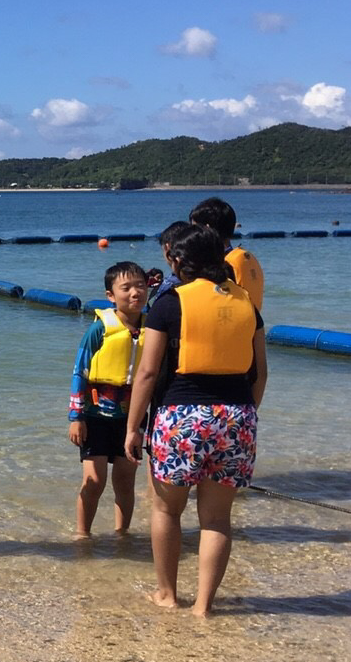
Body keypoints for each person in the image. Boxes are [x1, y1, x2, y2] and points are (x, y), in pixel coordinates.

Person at [125, 224, 267, 617]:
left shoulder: (169, 303)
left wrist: (133, 426)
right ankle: (204, 607)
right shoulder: (246, 304)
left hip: (182, 416)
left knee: (167, 510)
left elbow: (148, 373)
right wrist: (244, 416)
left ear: (176, 261)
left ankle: (167, 595)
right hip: (237, 415)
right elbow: (261, 374)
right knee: (218, 518)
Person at [67, 261, 148, 538]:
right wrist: (75, 418)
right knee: (94, 481)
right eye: (126, 288)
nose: (135, 293)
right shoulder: (99, 329)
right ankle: (82, 534)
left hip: (133, 418)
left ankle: (121, 534)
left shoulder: (153, 329)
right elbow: (79, 372)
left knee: (125, 481)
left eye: (141, 286)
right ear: (111, 295)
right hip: (95, 416)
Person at [190, 196, 264, 309]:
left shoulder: (222, 267)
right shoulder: (246, 258)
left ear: (207, 229)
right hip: (252, 323)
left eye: (194, 229)